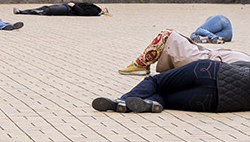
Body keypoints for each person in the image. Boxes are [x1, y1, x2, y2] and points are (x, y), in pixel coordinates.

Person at [92, 59, 250, 114]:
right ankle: (153, 104)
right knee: (166, 98)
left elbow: (240, 64)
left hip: (209, 70)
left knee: (156, 82)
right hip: (216, 101)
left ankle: (121, 101)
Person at [119, 28, 250, 76]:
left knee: (167, 34)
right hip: (206, 56)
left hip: (203, 59)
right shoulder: (244, 62)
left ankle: (139, 64)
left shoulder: (244, 64)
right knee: (169, 35)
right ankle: (140, 64)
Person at [13, 2, 108, 16]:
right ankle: (21, 11)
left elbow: (83, 12)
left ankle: (21, 12)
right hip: (66, 6)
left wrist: (73, 6)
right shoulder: (94, 6)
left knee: (47, 11)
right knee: (45, 8)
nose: (102, 5)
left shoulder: (95, 10)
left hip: (68, 10)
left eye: (104, 7)